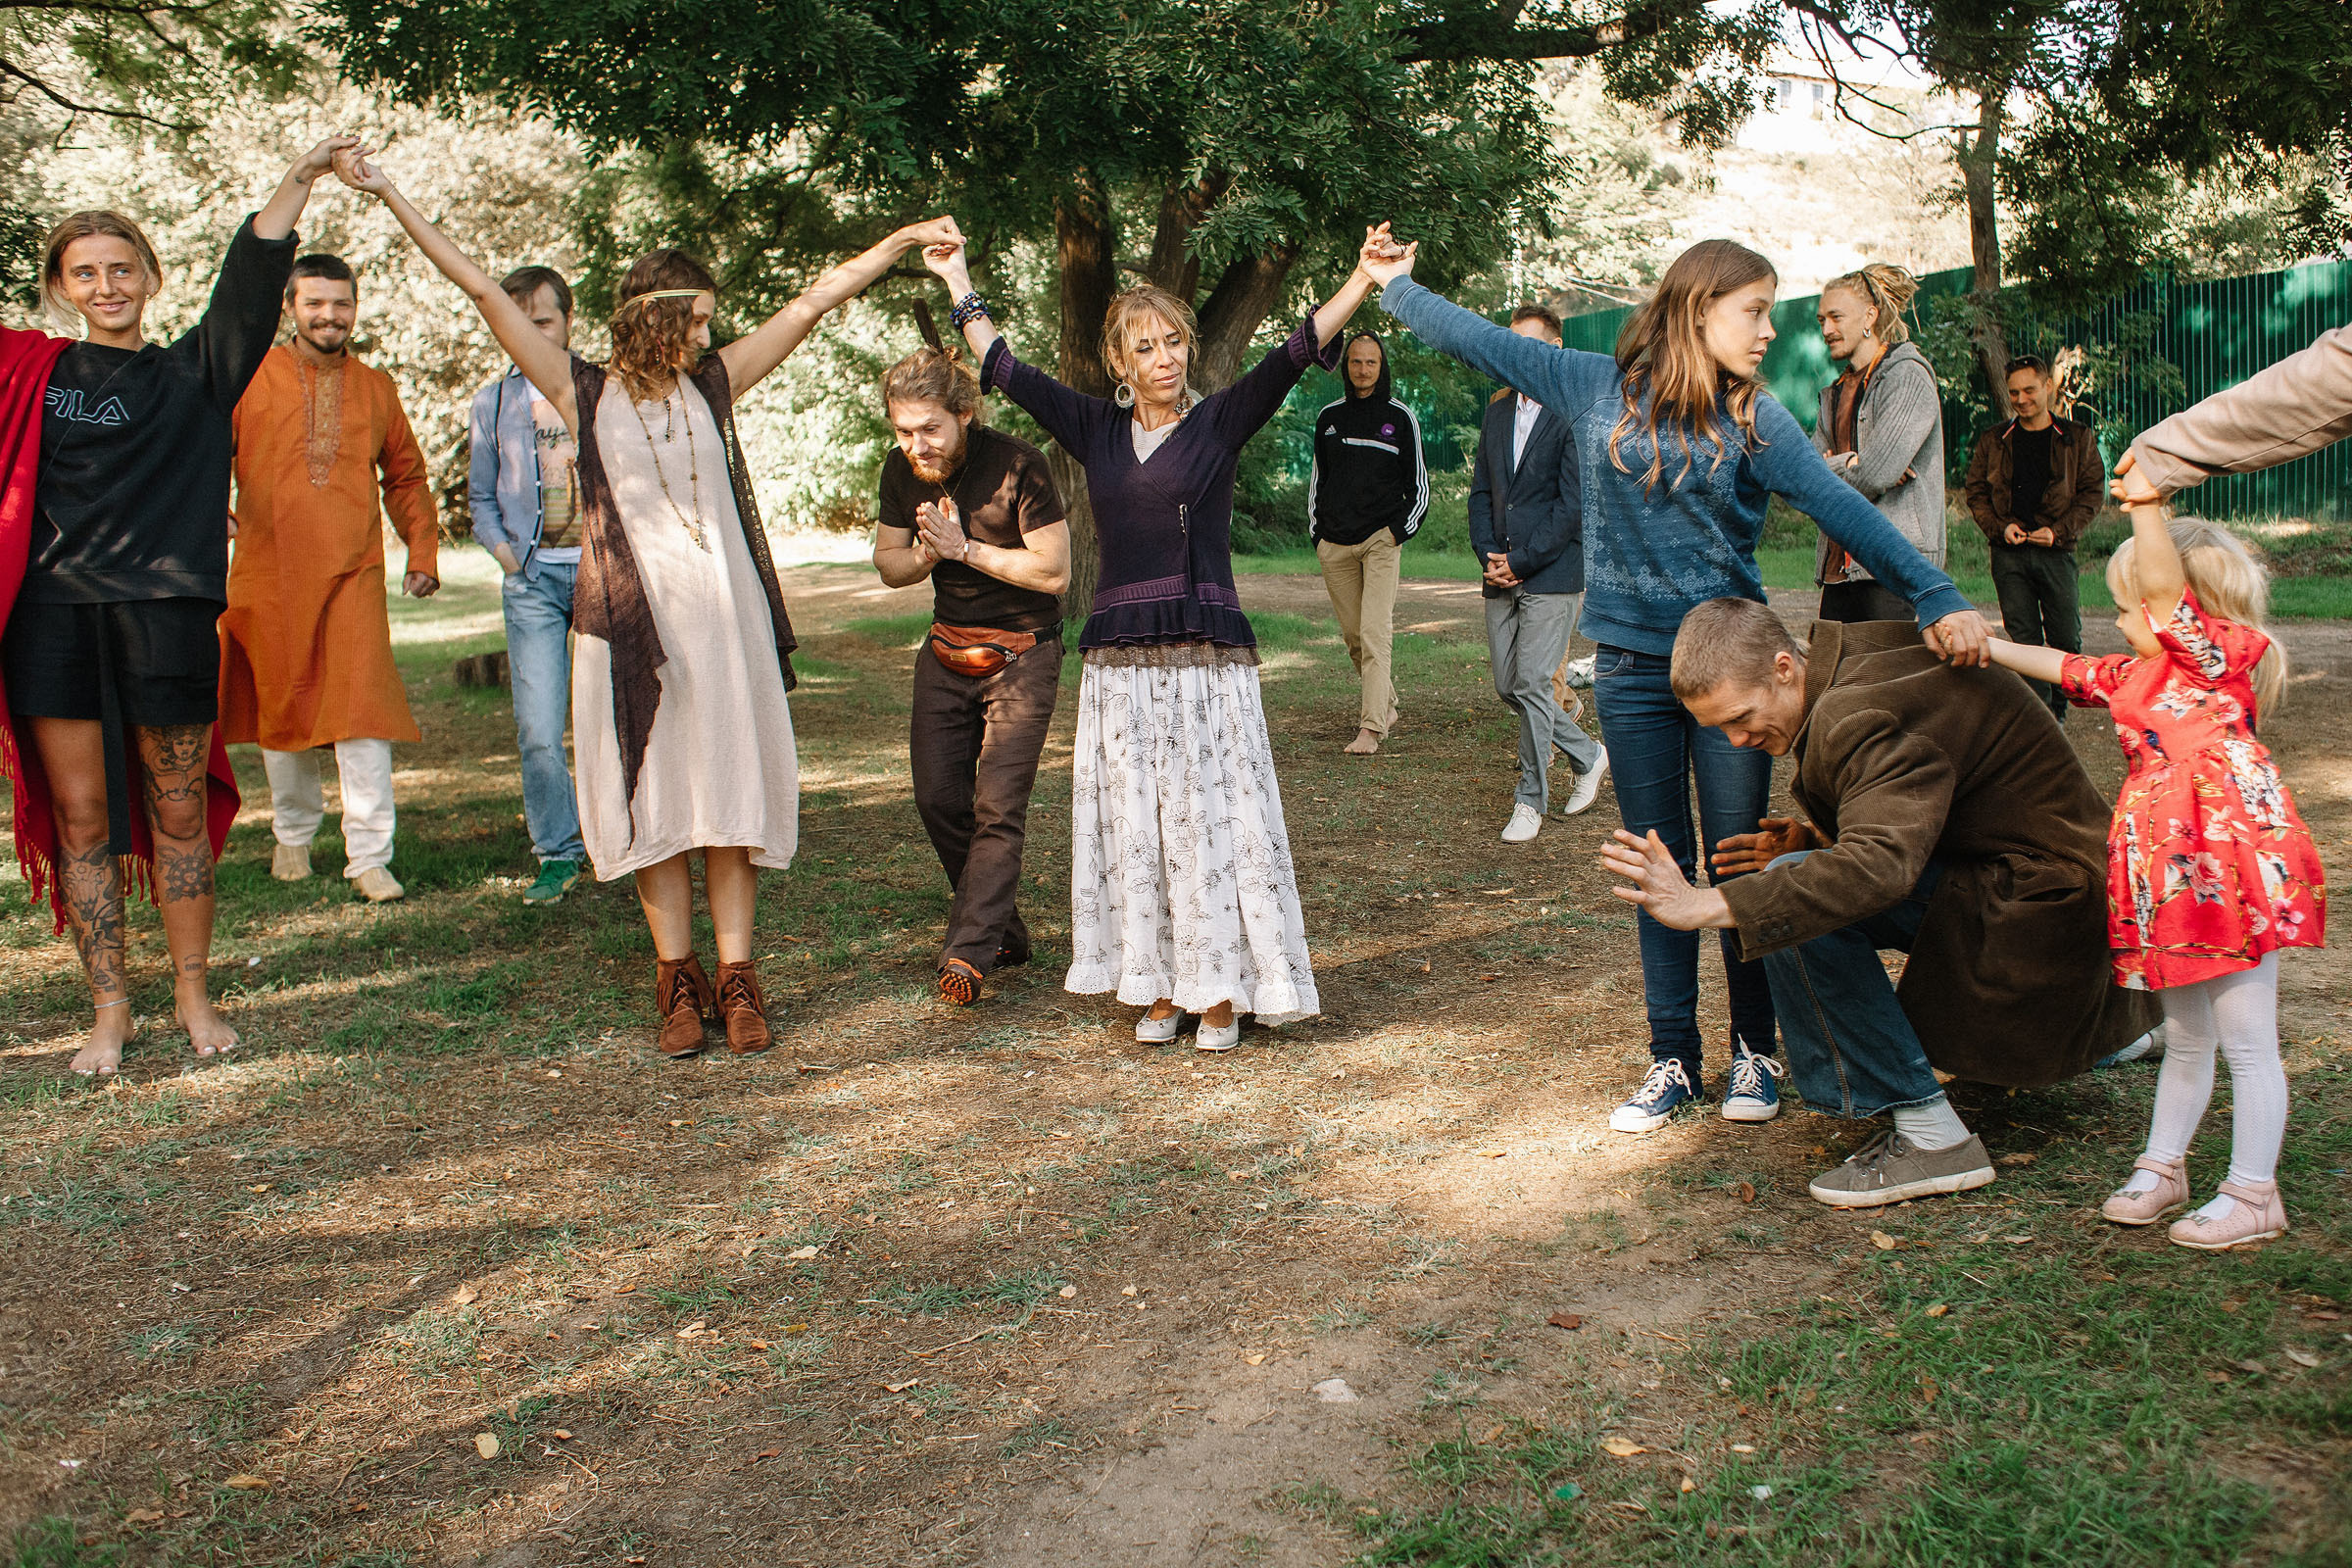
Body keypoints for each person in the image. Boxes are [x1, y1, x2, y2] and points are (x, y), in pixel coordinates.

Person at [1360, 230, 1990, 1134]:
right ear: (1699, 309)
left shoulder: (1755, 419)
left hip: (1728, 676)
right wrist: (1398, 288)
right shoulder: (1593, 389)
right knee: (1658, 863)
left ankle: (1754, 1052)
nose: (1772, 330)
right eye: (1756, 311)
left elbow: (1843, 505)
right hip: (1626, 667)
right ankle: (1671, 1058)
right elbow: (1481, 342)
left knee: (1736, 856)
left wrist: (1935, 591)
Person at [341, 141, 960, 1057]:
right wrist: (390, 189)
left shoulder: (715, 383)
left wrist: (902, 239)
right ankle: (678, 981)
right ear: (663, 314)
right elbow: (480, 289)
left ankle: (740, 978)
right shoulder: (578, 387)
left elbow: (815, 301)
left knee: (728, 801)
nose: (712, 333)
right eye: (700, 317)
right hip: (630, 634)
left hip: (725, 628)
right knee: (657, 801)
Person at [923, 232, 1380, 1053]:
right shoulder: (1094, 428)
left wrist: (1361, 279)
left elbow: (1292, 351)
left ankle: (1220, 992)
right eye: (1146, 346)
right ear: (1119, 361)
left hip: (1205, 661)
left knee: (1209, 822)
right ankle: (1161, 983)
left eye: (1173, 341)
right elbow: (1004, 370)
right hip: (1122, 667)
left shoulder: (1218, 423)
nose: (1164, 357)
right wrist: (958, 274)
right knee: (1138, 826)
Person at [1601, 597, 2160, 1206]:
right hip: (2063, 898)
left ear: (1785, 667)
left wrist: (1707, 905)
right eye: (1721, 729)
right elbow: (1935, 798)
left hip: (2050, 913)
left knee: (1797, 899)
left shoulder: (1854, 713)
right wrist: (1822, 836)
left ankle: (1931, 1138)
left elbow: (1878, 867)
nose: (1737, 741)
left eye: (1741, 716)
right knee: (1806, 870)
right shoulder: (1859, 657)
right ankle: (2107, 1030)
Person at [0, 137, 352, 1076]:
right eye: (86, 273)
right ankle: (109, 1007)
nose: (107, 285)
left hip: (167, 613)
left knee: (178, 815)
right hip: (54, 618)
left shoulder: (197, 371)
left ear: (151, 276)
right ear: (62, 287)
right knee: (81, 821)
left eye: (122, 268)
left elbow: (250, 276)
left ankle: (195, 991)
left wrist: (300, 177)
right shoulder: (34, 375)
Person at [1986, 506, 2324, 1249]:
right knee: (2188, 1035)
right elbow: (2065, 667)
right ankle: (2165, 1167)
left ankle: (2254, 1193)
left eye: (2127, 601)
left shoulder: (2214, 660)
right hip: (2173, 888)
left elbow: (2168, 592)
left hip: (2228, 879)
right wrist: (1987, 644)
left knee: (2247, 1043)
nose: (2119, 615)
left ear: (2178, 605)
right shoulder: (2140, 676)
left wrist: (2146, 508)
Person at [217, 252, 437, 904]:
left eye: (341, 303)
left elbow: (405, 475)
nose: (329, 315)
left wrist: (420, 550)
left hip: (353, 574)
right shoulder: (248, 377)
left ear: (354, 308)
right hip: (268, 573)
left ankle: (370, 854)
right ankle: (292, 834)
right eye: (315, 303)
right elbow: (202, 449)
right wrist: (209, 508)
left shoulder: (376, 388)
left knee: (361, 713)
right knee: (280, 713)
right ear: (289, 308)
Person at [870, 339, 1070, 1006]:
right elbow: (888, 563)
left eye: (930, 429)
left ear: (965, 412)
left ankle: (969, 949)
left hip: (1023, 651)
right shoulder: (900, 473)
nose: (917, 445)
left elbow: (1054, 572)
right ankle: (1003, 930)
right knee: (937, 799)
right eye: (904, 431)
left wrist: (967, 549)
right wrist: (930, 558)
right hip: (947, 649)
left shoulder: (1020, 465)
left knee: (996, 806)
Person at [467, 265, 590, 905]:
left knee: (618, 718)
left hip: (603, 576)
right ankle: (558, 852)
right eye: (516, 322)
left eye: (541, 320)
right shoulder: (492, 403)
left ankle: (628, 838)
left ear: (568, 321)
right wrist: (509, 557)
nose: (530, 333)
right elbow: (480, 497)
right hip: (534, 582)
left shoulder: (601, 389)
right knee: (540, 727)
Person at [1466, 304, 1606, 842]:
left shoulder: (1574, 413)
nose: (1517, 354)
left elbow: (1572, 507)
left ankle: (1530, 799)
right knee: (1510, 684)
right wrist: (1489, 556)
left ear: (1553, 349)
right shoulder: (1498, 412)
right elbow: (1481, 493)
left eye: (1530, 343)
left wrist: (1521, 562)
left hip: (1551, 572)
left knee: (1531, 681)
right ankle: (1589, 754)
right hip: (1499, 570)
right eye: (1511, 343)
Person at [1963, 355, 2104, 720]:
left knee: (2065, 637)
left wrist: (2058, 532)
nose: (2021, 399)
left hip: (2056, 553)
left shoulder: (2077, 438)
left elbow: (2092, 494)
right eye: (2014, 392)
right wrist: (1999, 528)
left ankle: (2060, 706)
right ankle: (2041, 717)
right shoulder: (1994, 440)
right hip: (2008, 554)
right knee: (2023, 639)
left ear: (2048, 388)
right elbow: (1976, 492)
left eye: (2029, 390)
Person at [1307, 330, 1426, 755]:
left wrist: (1398, 531)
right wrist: (1318, 535)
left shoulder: (1401, 417)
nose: (1362, 369)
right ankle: (1387, 704)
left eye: (1370, 362)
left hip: (1380, 540)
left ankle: (1371, 727)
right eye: (1355, 361)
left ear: (1382, 365)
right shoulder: (1328, 417)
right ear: (1347, 366)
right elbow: (1318, 481)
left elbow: (1418, 485)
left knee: (1375, 633)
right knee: (1355, 638)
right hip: (1335, 545)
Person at [1810, 265, 1945, 622]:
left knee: (1887, 679)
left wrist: (1841, 464)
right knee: (1832, 679)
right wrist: (1854, 462)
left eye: (1836, 317)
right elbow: (1807, 477)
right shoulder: (1833, 394)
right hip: (1839, 570)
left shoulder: (1907, 376)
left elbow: (1876, 473)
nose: (1826, 329)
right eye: (1821, 319)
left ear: (1870, 315)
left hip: (1892, 569)